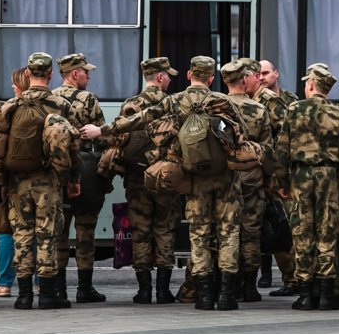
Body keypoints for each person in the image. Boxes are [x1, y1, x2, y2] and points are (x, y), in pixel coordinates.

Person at [81, 56, 247, 311]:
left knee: (199, 234)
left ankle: (203, 296)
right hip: (225, 178)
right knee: (228, 233)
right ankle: (226, 295)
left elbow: (139, 120)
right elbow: (240, 135)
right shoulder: (222, 101)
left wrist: (101, 131)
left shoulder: (175, 100)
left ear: (190, 75)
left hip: (193, 179)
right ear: (211, 78)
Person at [6, 52, 81, 310]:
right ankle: (47, 294)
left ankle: (23, 295)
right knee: (47, 233)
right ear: (50, 74)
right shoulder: (60, 105)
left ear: (27, 73)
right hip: (48, 180)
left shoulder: (13, 104)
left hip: (17, 180)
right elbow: (73, 146)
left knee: (22, 234)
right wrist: (73, 178)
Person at [275, 64, 339, 310]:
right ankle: (327, 293)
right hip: (328, 174)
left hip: (300, 175)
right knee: (327, 231)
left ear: (310, 85)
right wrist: (336, 175)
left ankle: (306, 294)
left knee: (302, 231)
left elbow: (282, 150)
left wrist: (282, 182)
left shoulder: (294, 109)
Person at [116, 57, 180, 304]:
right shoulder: (172, 104)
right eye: (169, 75)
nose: (170, 79)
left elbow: (120, 140)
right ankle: (163, 291)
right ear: (160, 77)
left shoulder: (131, 104)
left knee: (140, 230)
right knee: (165, 228)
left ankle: (143, 290)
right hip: (165, 177)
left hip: (137, 177)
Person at [53, 53, 107, 304]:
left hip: (58, 171)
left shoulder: (51, 98)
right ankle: (85, 288)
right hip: (85, 169)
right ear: (75, 74)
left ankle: (59, 288)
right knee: (86, 230)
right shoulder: (88, 99)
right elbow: (102, 136)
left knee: (60, 231)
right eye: (86, 71)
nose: (89, 75)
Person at [222, 59, 273, 302]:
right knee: (251, 232)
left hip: (223, 178)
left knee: (225, 232)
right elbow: (268, 150)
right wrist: (270, 178)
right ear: (245, 80)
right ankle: (250, 288)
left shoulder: (215, 106)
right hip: (252, 177)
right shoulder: (259, 109)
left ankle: (226, 287)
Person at [257, 59, 299, 295]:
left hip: (280, 172)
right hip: (265, 171)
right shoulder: (255, 100)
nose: (262, 77)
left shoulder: (290, 100)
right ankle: (265, 273)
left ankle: (291, 278)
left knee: (281, 225)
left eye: (265, 73)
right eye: (258, 74)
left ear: (276, 73)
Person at [0, 68, 31, 298]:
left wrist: (1, 180)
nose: (12, 87)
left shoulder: (9, 109)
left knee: (7, 231)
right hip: (42, 180)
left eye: (15, 84)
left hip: (14, 179)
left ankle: (4, 283)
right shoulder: (48, 106)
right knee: (37, 231)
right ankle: (37, 283)